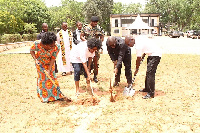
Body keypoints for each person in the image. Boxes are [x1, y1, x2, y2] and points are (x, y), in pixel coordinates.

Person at [30, 32, 64, 103]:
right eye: (51, 46)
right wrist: (35, 59)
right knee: (43, 79)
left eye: (54, 44)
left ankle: (56, 95)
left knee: (52, 77)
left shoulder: (56, 46)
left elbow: (53, 58)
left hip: (50, 63)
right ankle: (45, 97)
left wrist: (49, 69)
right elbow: (31, 50)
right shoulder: (37, 44)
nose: (53, 46)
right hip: (40, 63)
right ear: (45, 44)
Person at [131, 34, 162, 99]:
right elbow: (146, 47)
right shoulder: (139, 38)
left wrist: (136, 69)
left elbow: (138, 59)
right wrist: (143, 56)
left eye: (129, 44)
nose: (129, 46)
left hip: (155, 55)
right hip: (151, 54)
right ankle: (147, 88)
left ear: (132, 40)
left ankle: (151, 93)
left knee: (150, 74)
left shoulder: (138, 46)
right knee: (148, 73)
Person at [80, 16, 104, 83]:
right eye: (94, 23)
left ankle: (95, 76)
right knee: (88, 63)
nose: (95, 24)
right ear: (91, 21)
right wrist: (86, 42)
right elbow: (81, 36)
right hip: (88, 48)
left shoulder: (99, 28)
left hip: (96, 49)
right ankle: (88, 75)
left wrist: (99, 44)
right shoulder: (85, 28)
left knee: (96, 63)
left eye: (96, 23)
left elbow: (102, 37)